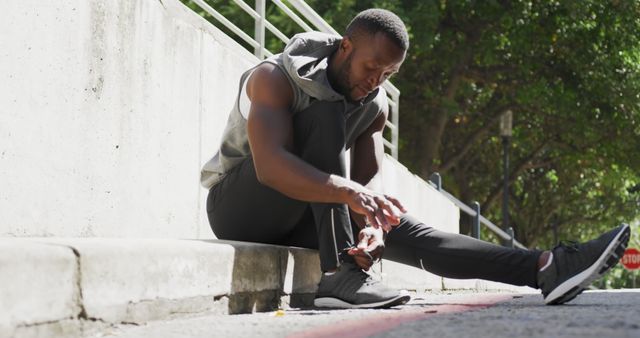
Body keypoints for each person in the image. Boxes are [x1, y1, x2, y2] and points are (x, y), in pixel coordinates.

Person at [201, 8, 630, 308]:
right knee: (324, 112)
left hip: (306, 208)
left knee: (404, 230)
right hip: (239, 206)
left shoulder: (374, 105)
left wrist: (371, 227)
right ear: (345, 47)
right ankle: (338, 277)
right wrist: (349, 193)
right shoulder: (273, 78)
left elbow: (364, 184)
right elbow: (271, 167)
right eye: (372, 68)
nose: (376, 82)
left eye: (388, 75)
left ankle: (546, 267)